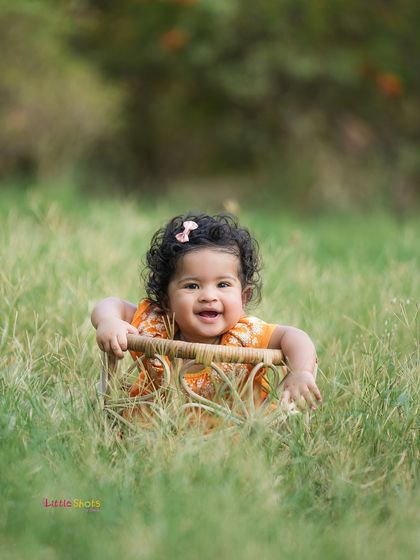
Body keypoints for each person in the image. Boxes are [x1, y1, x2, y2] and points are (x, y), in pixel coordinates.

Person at [91, 213, 321, 410]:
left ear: (243, 298)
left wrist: (301, 371)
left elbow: (296, 337)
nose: (209, 296)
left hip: (233, 434)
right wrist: (109, 321)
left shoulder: (247, 336)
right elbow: (113, 304)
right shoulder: (156, 326)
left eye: (223, 285)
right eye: (192, 286)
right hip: (154, 429)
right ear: (166, 300)